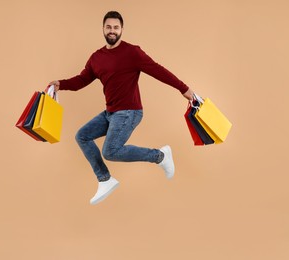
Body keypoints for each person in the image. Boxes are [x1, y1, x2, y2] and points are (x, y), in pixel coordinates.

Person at [47, 11, 194, 205]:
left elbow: (159, 70)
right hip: (110, 113)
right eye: (108, 27)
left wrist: (183, 88)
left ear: (121, 29)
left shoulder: (132, 52)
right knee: (82, 136)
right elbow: (82, 80)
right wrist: (60, 84)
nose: (112, 31)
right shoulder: (96, 58)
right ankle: (105, 179)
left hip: (129, 111)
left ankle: (160, 156)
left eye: (116, 27)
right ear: (103, 29)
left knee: (110, 151)